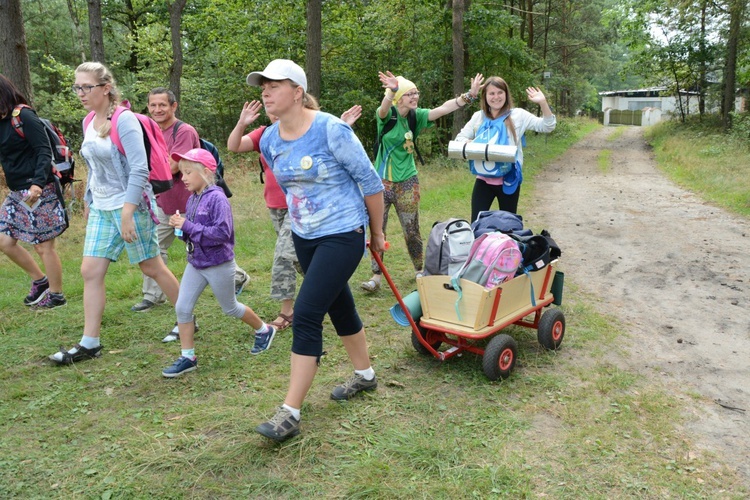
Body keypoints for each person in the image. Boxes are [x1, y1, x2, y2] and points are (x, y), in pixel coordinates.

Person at [246, 59, 385, 442]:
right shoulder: (271, 138)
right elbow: (291, 187)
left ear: (297, 91)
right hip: (306, 237)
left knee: (306, 313)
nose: (265, 91)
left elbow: (371, 184)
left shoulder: (331, 129)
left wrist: (376, 234)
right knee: (339, 305)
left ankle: (289, 412)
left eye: (274, 85)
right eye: (263, 86)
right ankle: (365, 375)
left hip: (342, 234)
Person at [48, 62, 181, 365]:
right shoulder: (87, 122)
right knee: (90, 271)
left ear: (105, 88)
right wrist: (90, 202)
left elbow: (139, 169)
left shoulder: (125, 121)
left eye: (86, 87)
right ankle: (89, 343)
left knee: (152, 267)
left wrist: (127, 212)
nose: (80, 93)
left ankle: (187, 318)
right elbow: (94, 168)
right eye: (77, 87)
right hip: (102, 207)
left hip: (130, 207)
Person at [227, 101, 363, 332]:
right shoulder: (265, 134)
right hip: (275, 206)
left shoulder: (308, 131)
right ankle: (332, 290)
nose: (273, 113)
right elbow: (234, 146)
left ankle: (287, 311)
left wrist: (341, 124)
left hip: (304, 208)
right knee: (301, 259)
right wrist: (242, 122)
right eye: (269, 110)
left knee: (283, 255)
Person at [132, 88, 250, 324]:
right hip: (162, 202)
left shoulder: (184, 131)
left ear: (174, 107)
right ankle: (152, 295)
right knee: (154, 248)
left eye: (162, 105)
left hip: (191, 203)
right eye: (152, 105)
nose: (157, 110)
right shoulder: (151, 131)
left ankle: (237, 276)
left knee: (207, 246)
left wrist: (141, 173)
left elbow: (173, 166)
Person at [360, 70, 482, 293]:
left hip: (408, 180)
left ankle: (419, 270)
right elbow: (383, 108)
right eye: (410, 94)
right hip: (381, 183)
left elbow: (444, 108)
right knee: (378, 229)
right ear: (399, 97)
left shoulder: (417, 116)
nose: (415, 97)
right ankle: (376, 275)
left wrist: (469, 95)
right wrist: (392, 91)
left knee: (412, 229)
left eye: (416, 93)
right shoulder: (388, 116)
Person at [161, 148, 276, 377]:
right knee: (182, 307)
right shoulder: (194, 198)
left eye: (187, 173)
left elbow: (222, 233)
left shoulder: (217, 198)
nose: (182, 178)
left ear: (205, 172)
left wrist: (188, 226)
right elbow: (194, 231)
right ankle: (188, 356)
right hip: (196, 263)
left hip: (218, 264)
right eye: (181, 173)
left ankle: (264, 330)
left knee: (230, 308)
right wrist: (181, 228)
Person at [0, 74, 68, 309]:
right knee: (4, 240)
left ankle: (57, 296)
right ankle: (40, 282)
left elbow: (43, 151)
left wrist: (38, 183)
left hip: (41, 189)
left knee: (43, 246)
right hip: (16, 192)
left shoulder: (24, 116)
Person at [454, 76, 556, 221]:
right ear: (485, 96)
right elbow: (460, 139)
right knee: (476, 224)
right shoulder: (479, 117)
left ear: (506, 94)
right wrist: (471, 143)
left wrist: (543, 103)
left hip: (509, 180)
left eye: (500, 92)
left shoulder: (518, 115)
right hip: (483, 179)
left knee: (509, 225)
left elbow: (547, 126)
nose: (496, 97)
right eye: (492, 93)